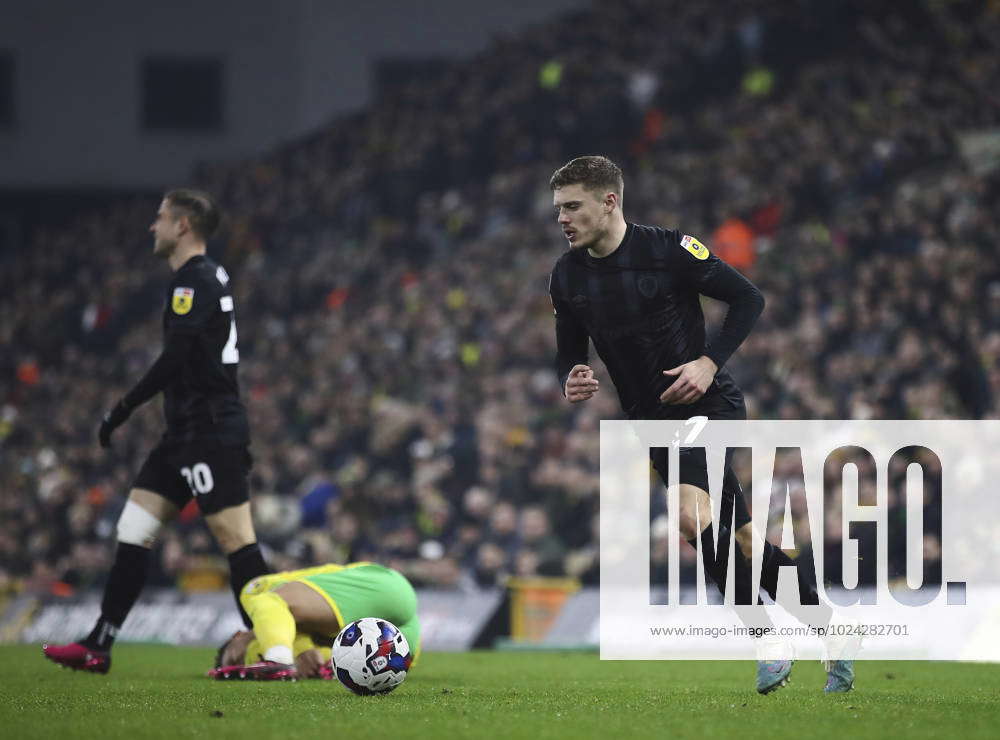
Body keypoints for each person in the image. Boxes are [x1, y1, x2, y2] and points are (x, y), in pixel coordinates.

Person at [547, 156, 855, 694]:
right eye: (558, 210)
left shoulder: (667, 250)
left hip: (706, 405)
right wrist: (571, 376)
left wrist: (709, 361)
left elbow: (748, 298)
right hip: (651, 422)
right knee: (743, 540)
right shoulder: (566, 275)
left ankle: (765, 638)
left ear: (609, 201)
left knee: (688, 517)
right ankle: (831, 630)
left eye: (572, 206)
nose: (563, 219)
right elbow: (570, 348)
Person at [43, 189, 268, 674]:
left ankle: (274, 650)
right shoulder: (204, 277)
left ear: (183, 225)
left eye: (161, 218)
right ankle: (98, 644)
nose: (153, 226)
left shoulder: (196, 279)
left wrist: (122, 408)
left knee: (236, 541)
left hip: (210, 429)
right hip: (183, 432)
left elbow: (176, 357)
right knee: (135, 529)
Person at [209, 562, 420, 680]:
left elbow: (275, 605)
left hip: (378, 586)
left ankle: (277, 659)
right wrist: (306, 653)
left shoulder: (253, 592)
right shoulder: (281, 628)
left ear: (238, 636)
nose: (253, 663)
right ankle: (282, 659)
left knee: (267, 599)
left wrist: (294, 650)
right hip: (400, 641)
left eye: (237, 657)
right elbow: (289, 627)